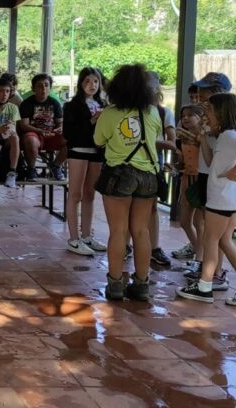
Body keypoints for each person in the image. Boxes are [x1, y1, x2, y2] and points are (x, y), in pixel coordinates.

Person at [177, 93, 236, 306]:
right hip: (227, 197)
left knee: (211, 240)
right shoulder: (223, 136)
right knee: (223, 241)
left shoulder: (230, 136)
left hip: (223, 197)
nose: (206, 114)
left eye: (210, 110)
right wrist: (203, 138)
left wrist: (233, 170)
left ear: (222, 112)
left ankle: (204, 286)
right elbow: (210, 161)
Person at [93, 64, 162, 301]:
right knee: (141, 231)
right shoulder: (152, 112)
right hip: (148, 176)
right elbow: (156, 136)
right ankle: (142, 284)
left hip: (119, 174)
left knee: (118, 231)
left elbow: (99, 141)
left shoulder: (110, 113)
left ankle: (115, 284)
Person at [182, 72, 234, 291]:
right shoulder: (208, 117)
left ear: (216, 92)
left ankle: (217, 273)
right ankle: (208, 269)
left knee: (218, 234)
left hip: (217, 180)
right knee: (208, 227)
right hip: (205, 175)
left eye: (204, 90)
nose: (199, 95)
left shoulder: (225, 122)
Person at [62, 67, 108, 256]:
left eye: (95, 81)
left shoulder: (103, 104)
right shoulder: (72, 105)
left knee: (90, 194)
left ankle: (87, 235)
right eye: (88, 81)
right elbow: (68, 133)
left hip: (96, 152)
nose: (92, 85)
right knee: (75, 194)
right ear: (81, 83)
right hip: (78, 151)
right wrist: (91, 122)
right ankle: (73, 239)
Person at [148, 71, 177, 267]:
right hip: (137, 162)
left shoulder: (163, 113)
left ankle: (154, 247)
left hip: (153, 163)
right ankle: (125, 245)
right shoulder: (129, 111)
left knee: (151, 207)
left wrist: (147, 143)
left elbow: (171, 141)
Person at [172, 104, 205, 263]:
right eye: (183, 115)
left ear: (199, 117)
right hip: (187, 180)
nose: (185, 118)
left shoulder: (206, 137)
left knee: (200, 223)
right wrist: (174, 167)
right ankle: (198, 250)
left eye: (189, 115)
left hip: (202, 181)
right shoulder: (181, 139)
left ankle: (200, 258)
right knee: (185, 221)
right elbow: (181, 163)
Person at [19, 73, 66, 181]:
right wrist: (40, 131)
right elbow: (24, 125)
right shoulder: (26, 103)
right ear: (33, 88)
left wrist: (59, 128)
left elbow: (60, 123)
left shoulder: (55, 103)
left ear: (50, 87)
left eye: (46, 85)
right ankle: (31, 169)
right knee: (31, 140)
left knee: (71, 139)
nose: (43, 88)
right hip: (34, 134)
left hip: (51, 133)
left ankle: (56, 166)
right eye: (40, 86)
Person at [0, 77, 21, 188]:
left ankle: (12, 172)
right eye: (1, 91)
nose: (4, 94)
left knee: (15, 137)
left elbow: (12, 128)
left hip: (6, 138)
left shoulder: (13, 108)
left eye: (7, 91)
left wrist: (6, 129)